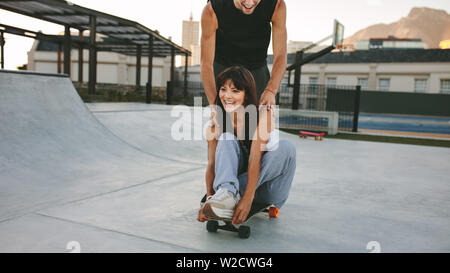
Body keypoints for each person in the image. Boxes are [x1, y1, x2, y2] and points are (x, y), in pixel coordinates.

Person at [197, 66, 296, 225]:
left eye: (235, 91)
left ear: (246, 94)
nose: (227, 96)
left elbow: (254, 159)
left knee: (286, 148)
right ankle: (225, 194)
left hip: (268, 189)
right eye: (223, 89)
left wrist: (247, 199)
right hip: (234, 187)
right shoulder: (217, 121)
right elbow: (212, 164)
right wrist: (209, 198)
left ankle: (228, 195)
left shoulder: (263, 114)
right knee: (226, 138)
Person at [200, 0, 287, 111]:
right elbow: (206, 64)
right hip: (224, 65)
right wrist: (215, 106)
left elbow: (280, 55)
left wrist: (271, 90)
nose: (249, 2)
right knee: (222, 121)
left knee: (262, 121)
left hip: (257, 66)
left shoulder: (277, 6)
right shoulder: (212, 10)